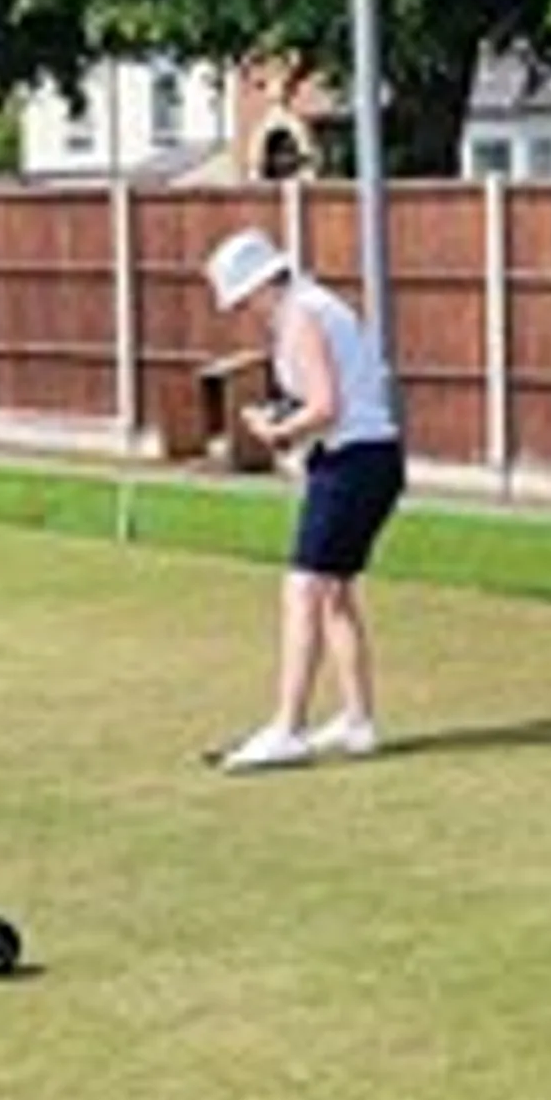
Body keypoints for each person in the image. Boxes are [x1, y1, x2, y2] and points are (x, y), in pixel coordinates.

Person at [202, 227, 406, 774]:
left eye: (242, 300)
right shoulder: (315, 305)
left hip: (351, 463)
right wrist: (286, 422)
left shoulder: (300, 316)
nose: (243, 311)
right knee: (335, 590)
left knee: (303, 588)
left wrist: (276, 433)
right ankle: (357, 722)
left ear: (261, 284)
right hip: (369, 459)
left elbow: (325, 407)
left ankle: (287, 729)